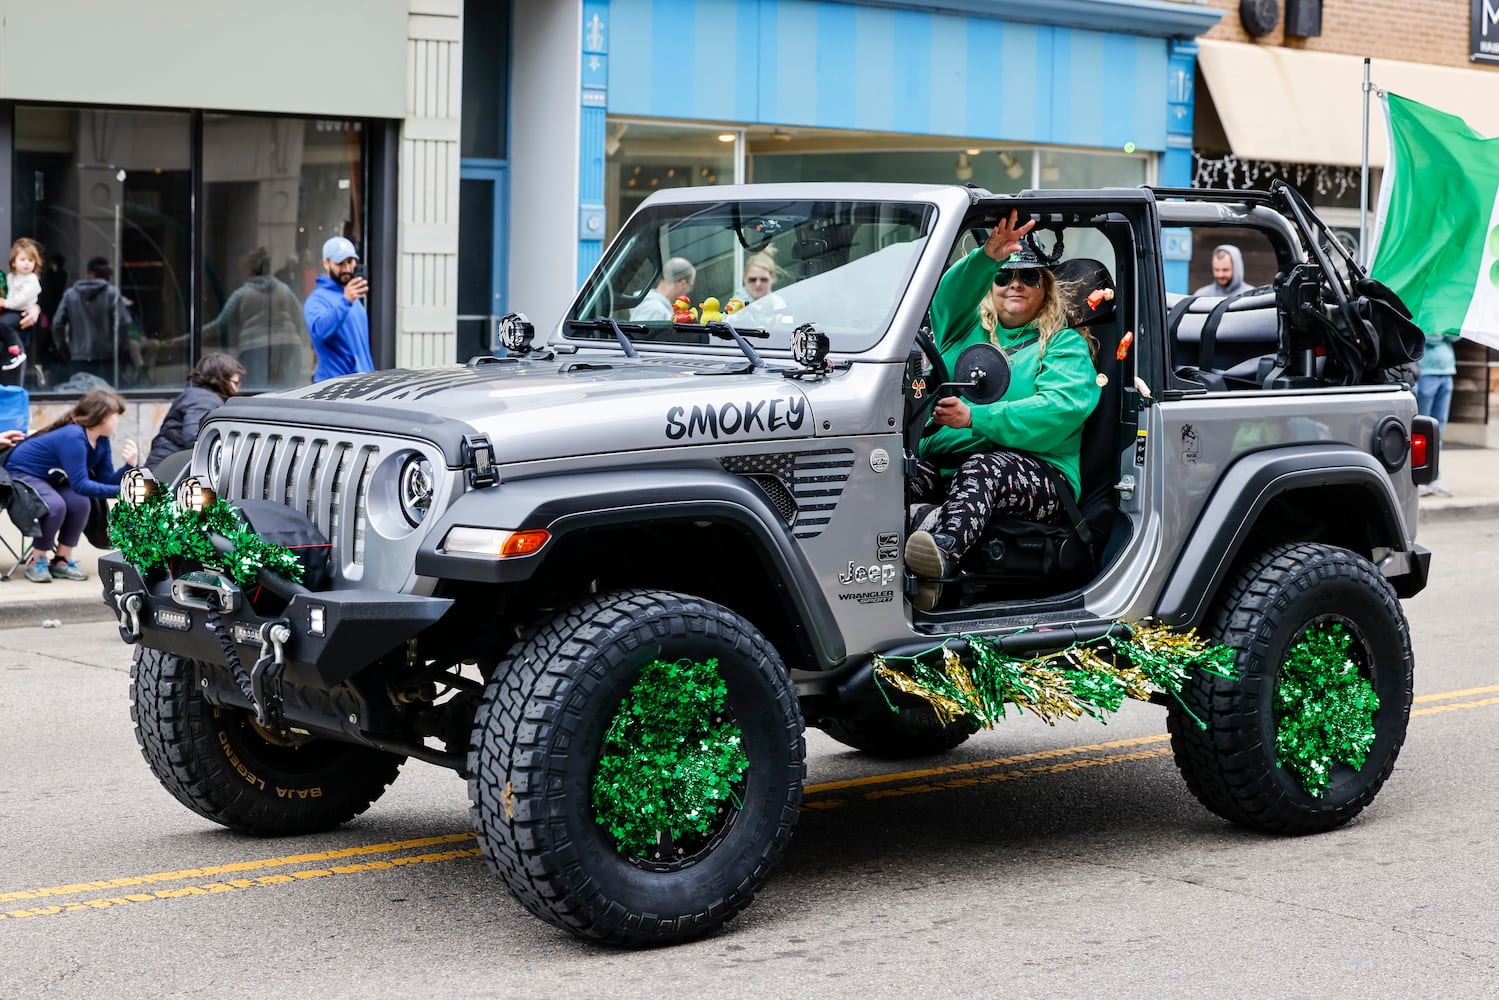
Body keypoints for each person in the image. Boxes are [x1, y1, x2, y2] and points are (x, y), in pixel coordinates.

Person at [904, 212, 1101, 611]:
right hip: (947, 466)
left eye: (1029, 277)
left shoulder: (1064, 345)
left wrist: (976, 418)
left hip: (1042, 476)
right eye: (1004, 276)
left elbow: (1061, 408)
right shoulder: (963, 329)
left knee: (984, 467)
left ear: (1044, 289)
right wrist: (987, 256)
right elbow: (947, 297)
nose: (1015, 283)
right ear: (991, 287)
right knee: (893, 470)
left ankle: (937, 560)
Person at [5, 388, 136, 583]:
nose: (117, 420)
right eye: (115, 415)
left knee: (81, 503)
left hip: (52, 479)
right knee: (55, 505)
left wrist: (129, 466)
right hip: (22, 472)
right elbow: (82, 484)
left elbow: (105, 479)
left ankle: (62, 560)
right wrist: (123, 492)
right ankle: (37, 559)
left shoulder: (101, 440)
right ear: (102, 416)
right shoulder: (74, 437)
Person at [207, 247, 312, 391]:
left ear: (249, 270)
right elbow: (300, 317)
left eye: (242, 270)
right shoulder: (284, 289)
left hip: (254, 348)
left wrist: (183, 339)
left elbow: (220, 324)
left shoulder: (242, 293)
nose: (241, 274)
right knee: (285, 395)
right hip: (289, 346)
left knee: (255, 395)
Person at [145, 353, 244, 470]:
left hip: (166, 468)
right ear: (221, 380)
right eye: (236, 383)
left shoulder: (196, 395)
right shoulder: (204, 400)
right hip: (171, 475)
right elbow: (195, 440)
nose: (238, 389)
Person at [51, 257, 132, 383]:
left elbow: (57, 325)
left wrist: (64, 350)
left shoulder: (70, 294)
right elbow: (124, 324)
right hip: (106, 358)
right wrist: (120, 350)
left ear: (90, 273)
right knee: (106, 399)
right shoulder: (112, 293)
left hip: (78, 357)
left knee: (79, 399)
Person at [305, 235, 374, 382]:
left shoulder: (351, 295)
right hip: (334, 388)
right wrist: (346, 301)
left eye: (350, 262)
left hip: (361, 383)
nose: (347, 269)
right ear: (326, 263)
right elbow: (319, 331)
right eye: (340, 263)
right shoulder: (316, 299)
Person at [1416, 332, 1457, 497]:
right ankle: (1419, 478)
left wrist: (1446, 331)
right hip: (1426, 372)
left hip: (1447, 372)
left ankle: (1435, 477)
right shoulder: (1424, 313)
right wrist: (1443, 332)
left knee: (1438, 430)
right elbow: (1427, 335)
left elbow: (1456, 335)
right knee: (1422, 429)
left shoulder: (1443, 314)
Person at [0, 238, 43, 374]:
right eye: (23, 260)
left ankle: (16, 350)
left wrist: (35, 308)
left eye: (30, 260)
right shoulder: (10, 277)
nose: (26, 264)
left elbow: (24, 298)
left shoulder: (29, 279)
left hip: (17, 315)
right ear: (14, 262)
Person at [629, 257, 695, 322]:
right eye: (690, 286)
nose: (688, 291)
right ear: (682, 284)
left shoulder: (657, 308)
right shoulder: (655, 309)